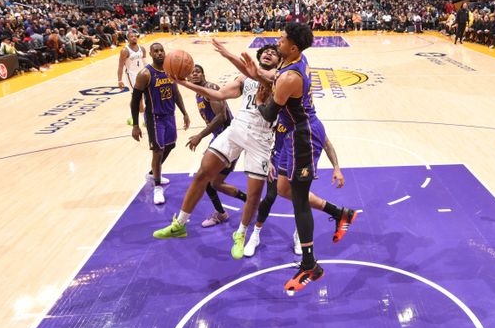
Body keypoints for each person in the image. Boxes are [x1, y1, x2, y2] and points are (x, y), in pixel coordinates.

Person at [250, 23, 357, 295]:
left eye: (283, 39)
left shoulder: (289, 78)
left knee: (298, 200)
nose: (278, 40)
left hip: (302, 138)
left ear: (293, 47)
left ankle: (310, 264)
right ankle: (340, 213)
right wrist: (253, 71)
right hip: (293, 134)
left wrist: (258, 97)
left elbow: (269, 114)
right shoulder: (296, 60)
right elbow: (273, 76)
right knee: (284, 189)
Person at [152, 43, 280, 262]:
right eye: (265, 51)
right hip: (237, 129)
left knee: (254, 194)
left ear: (280, 60)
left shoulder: (278, 77)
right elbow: (218, 94)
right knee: (203, 173)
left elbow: (263, 77)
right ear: (259, 56)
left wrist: (229, 54)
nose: (268, 53)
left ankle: (240, 234)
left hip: (261, 138)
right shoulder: (244, 79)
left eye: (274, 52)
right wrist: (183, 83)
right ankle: (180, 224)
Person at [185, 63, 248, 227]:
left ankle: (224, 212)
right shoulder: (199, 93)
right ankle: (247, 201)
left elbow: (220, 116)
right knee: (214, 183)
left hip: (229, 139)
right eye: (192, 73)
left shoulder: (210, 88)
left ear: (203, 74)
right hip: (221, 138)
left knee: (207, 179)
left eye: (198, 71)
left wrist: (199, 136)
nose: (195, 74)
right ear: (187, 78)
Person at [130, 43, 190, 205]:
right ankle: (157, 187)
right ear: (150, 54)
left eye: (161, 50)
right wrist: (135, 125)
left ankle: (152, 173)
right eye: (155, 51)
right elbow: (135, 101)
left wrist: (184, 113)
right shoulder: (145, 74)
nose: (159, 53)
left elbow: (176, 93)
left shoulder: (170, 70)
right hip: (154, 118)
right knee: (158, 150)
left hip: (170, 115)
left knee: (170, 145)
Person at [117, 31, 146, 126]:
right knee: (139, 97)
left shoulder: (142, 49)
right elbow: (120, 66)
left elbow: (145, 63)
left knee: (135, 98)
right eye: (131, 36)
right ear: (128, 39)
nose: (134, 38)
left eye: (135, 36)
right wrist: (120, 80)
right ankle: (144, 119)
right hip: (131, 75)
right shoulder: (125, 51)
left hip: (142, 74)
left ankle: (131, 116)